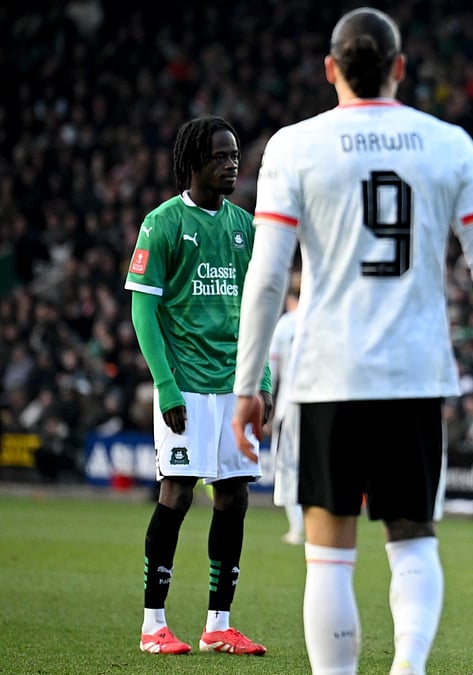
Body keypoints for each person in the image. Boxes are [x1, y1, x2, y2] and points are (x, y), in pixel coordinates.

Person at [230, 8, 473, 675]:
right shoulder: (448, 144)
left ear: (330, 69)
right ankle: (408, 668)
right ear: (400, 69)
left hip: (328, 371)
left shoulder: (295, 146)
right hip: (415, 371)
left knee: (328, 548)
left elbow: (269, 277)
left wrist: (249, 386)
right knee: (413, 538)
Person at [126, 115, 273, 656]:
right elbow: (144, 311)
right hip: (186, 385)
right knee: (178, 492)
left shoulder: (245, 226)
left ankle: (218, 624)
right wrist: (165, 386)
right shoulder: (162, 223)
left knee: (233, 497)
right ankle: (153, 625)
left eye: (236, 155)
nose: (233, 164)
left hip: (235, 387)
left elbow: (260, 310)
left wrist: (265, 380)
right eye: (221, 156)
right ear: (194, 163)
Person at [269, 278, 303, 544]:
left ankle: (297, 527)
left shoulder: (285, 324)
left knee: (286, 465)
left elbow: (273, 370)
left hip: (289, 404)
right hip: (321, 402)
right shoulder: (320, 319)